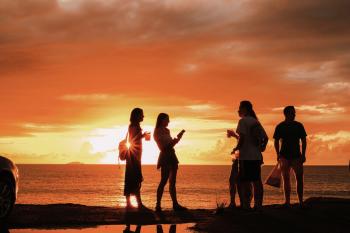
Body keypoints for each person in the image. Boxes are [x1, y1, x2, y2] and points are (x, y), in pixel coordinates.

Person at [232, 100, 266, 210]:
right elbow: (265, 138)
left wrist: (236, 148)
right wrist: (262, 148)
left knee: (244, 181)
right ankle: (258, 205)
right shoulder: (256, 122)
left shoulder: (243, 121)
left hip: (246, 156)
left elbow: (242, 138)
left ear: (245, 109)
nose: (238, 110)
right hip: (256, 156)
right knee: (257, 181)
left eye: (240, 108)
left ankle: (246, 205)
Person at [273, 106, 307, 208]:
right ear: (287, 114)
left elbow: (304, 140)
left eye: (294, 113)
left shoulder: (299, 125)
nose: (294, 114)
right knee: (286, 178)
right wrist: (278, 154)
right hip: (284, 155)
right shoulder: (280, 126)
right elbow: (276, 141)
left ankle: (300, 201)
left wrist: (303, 154)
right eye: (293, 113)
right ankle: (287, 202)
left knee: (299, 178)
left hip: (296, 155)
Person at [154, 113, 187, 212]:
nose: (168, 121)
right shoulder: (157, 131)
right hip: (165, 156)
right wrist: (176, 140)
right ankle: (158, 205)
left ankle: (175, 204)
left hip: (172, 156)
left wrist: (177, 139)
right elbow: (164, 146)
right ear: (162, 120)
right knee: (164, 181)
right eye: (167, 119)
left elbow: (170, 145)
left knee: (172, 182)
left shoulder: (167, 130)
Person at [124, 108, 150, 210]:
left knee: (131, 179)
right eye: (141, 115)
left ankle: (129, 203)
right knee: (136, 179)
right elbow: (133, 140)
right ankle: (138, 204)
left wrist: (142, 135)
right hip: (134, 156)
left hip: (133, 155)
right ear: (137, 116)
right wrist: (143, 136)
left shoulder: (133, 126)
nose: (143, 116)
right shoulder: (134, 126)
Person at [226, 129, 241, 208]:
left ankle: (234, 202)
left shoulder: (244, 134)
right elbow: (240, 138)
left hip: (240, 160)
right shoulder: (241, 136)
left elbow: (242, 140)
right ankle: (234, 202)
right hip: (238, 160)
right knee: (235, 181)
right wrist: (234, 135)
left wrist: (235, 150)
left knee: (234, 181)